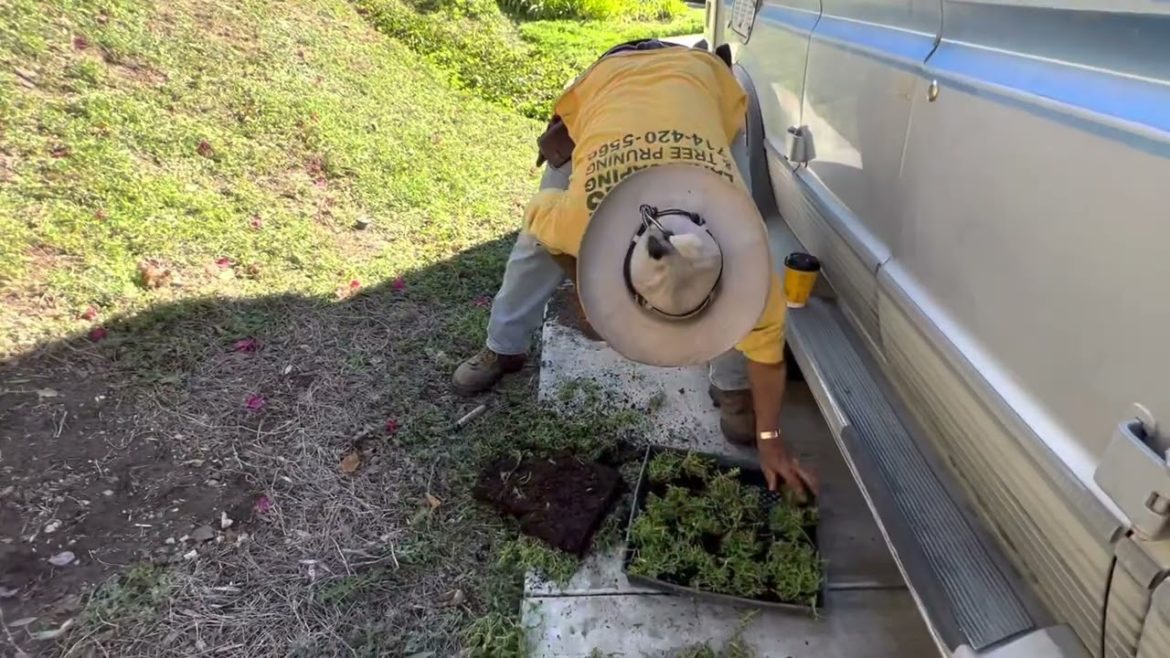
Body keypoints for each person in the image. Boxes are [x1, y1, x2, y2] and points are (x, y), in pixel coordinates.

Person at [452, 40, 815, 498]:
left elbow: (766, 351)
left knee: (734, 200)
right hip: (614, 78)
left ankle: (730, 385)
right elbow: (539, 219)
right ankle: (503, 345)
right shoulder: (577, 219)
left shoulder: (750, 249)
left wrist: (770, 438)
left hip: (699, 81)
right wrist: (582, 284)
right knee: (532, 250)